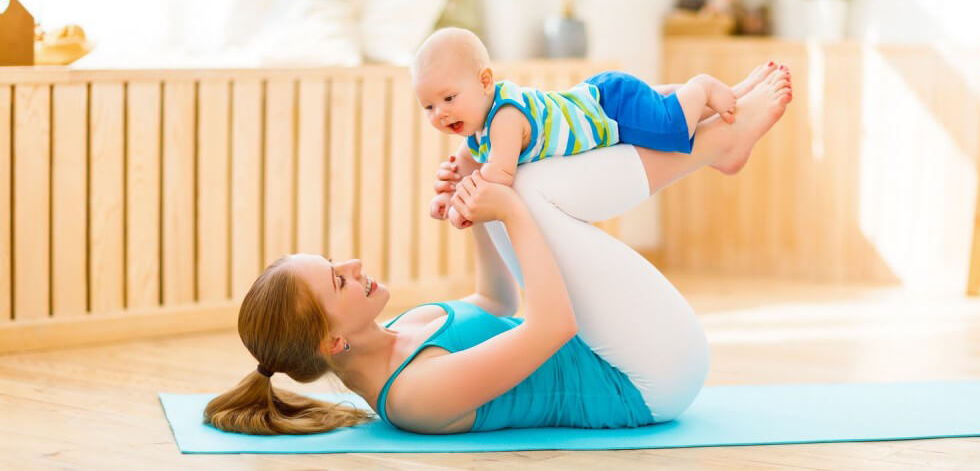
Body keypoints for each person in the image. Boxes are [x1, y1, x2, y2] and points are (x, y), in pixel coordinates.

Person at [203, 64, 792, 435]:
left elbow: (495, 298)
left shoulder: (406, 327)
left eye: (334, 262)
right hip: (647, 379)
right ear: (333, 342)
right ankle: (719, 143)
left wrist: (472, 204)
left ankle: (709, 130)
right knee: (524, 190)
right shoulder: (411, 397)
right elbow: (550, 326)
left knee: (518, 182)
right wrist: (502, 204)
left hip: (613, 345)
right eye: (337, 279)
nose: (352, 265)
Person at [417, 27, 791, 228]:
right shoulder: (476, 132)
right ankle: (733, 98)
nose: (440, 114)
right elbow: (467, 165)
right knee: (658, 111)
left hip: (610, 105)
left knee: (671, 128)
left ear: (485, 82)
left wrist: (463, 202)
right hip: (596, 98)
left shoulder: (504, 118)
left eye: (449, 99)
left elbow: (498, 175)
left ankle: (703, 87)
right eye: (429, 106)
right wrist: (449, 197)